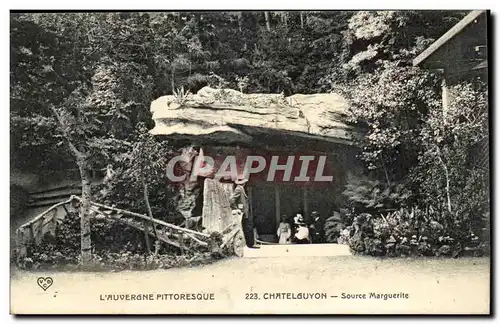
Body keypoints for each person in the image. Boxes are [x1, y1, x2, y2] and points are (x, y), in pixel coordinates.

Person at [229, 175, 258, 248]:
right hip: (241, 212)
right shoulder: (238, 189)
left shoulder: (241, 189)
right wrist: (236, 208)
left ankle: (249, 244)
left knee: (246, 228)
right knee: (244, 228)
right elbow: (232, 200)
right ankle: (247, 245)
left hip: (245, 212)